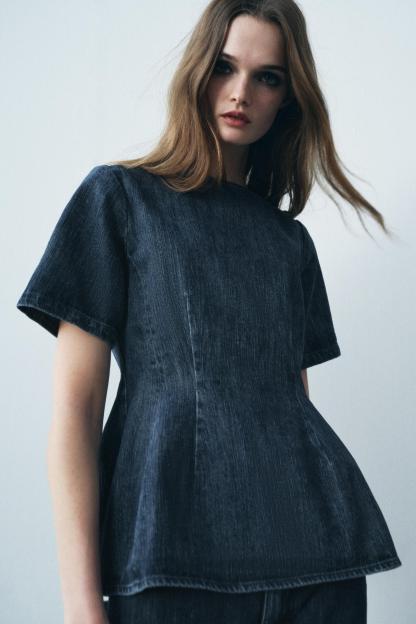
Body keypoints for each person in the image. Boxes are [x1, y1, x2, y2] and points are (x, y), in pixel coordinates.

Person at [16, 1, 402, 623]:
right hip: (169, 565)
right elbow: (76, 410)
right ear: (196, 70)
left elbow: (291, 403)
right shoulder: (119, 199)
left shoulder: (289, 243)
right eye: (224, 67)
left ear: (289, 98)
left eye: (267, 77)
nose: (241, 92)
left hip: (318, 567)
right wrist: (81, 606)